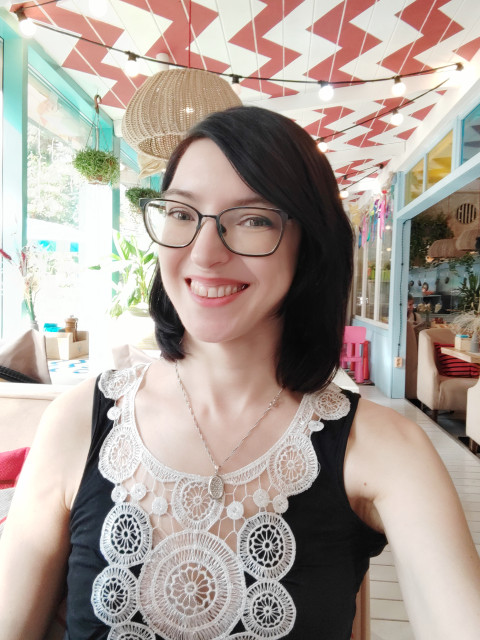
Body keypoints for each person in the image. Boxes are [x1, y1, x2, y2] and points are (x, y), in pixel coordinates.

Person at [1, 106, 479, 640]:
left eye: (253, 220)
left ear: (309, 244)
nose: (205, 254)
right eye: (181, 213)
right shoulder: (77, 422)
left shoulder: (383, 448)